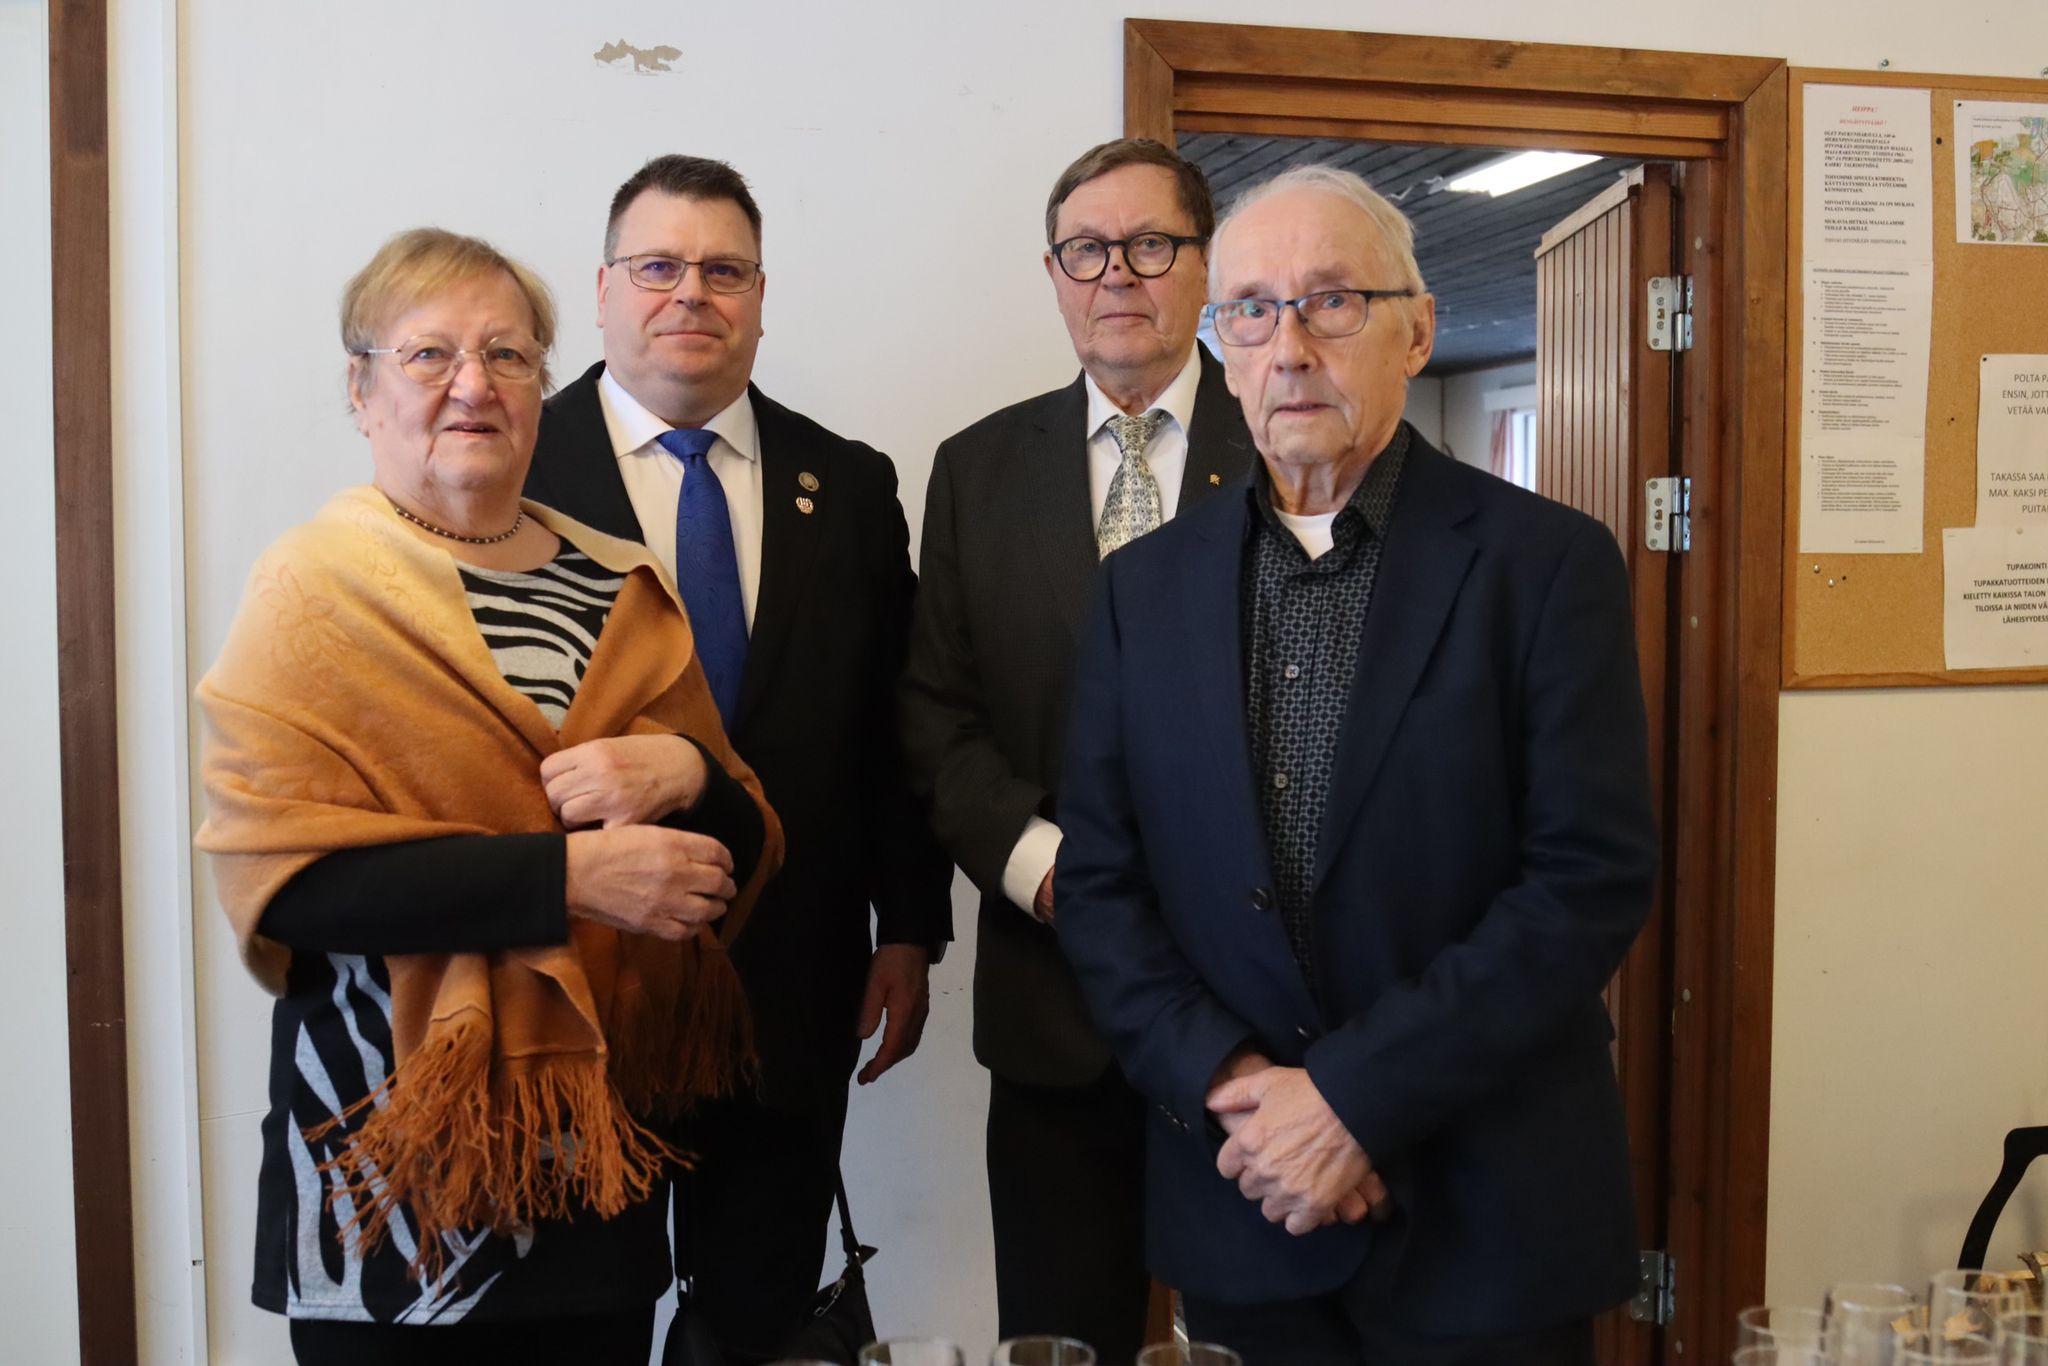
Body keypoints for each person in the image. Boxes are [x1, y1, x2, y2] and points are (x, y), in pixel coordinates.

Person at [1053, 164, 1658, 1366]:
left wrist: (1349, 1101)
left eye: (1331, 302)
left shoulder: (1543, 565)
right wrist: (1240, 1089)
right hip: (1244, 1196)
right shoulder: (1140, 591)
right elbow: (1103, 886)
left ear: (1415, 331)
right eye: (1250, 311)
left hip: (1487, 1209)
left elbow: (1583, 880)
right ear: (1220, 348)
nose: (1287, 348)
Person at [195, 228, 784, 1365]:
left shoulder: (624, 583)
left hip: (596, 1159)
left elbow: (743, 850)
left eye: (508, 355)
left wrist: (694, 776)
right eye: (429, 354)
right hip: (391, 1178)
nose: (473, 384)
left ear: (541, 388)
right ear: (361, 388)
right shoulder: (310, 590)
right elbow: (290, 883)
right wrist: (568, 879)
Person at [523, 154, 952, 1363]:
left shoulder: (848, 484)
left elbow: (891, 727)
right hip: (579, 990)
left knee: (753, 1323)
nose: (690, 294)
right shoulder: (511, 472)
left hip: (792, 985)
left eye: (723, 270)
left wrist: (909, 928)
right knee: (580, 1325)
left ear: (760, 296)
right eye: (657, 266)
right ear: (602, 290)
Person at [898, 137, 1253, 1360]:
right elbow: (934, 717)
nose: (1117, 276)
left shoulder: (1289, 444)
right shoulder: (975, 469)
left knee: (1256, 1340)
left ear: (1202, 265)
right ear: (1052, 274)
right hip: (1055, 1007)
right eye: (1085, 251)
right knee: (1059, 1342)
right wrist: (1050, 871)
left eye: (1149, 245)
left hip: (1261, 1011)